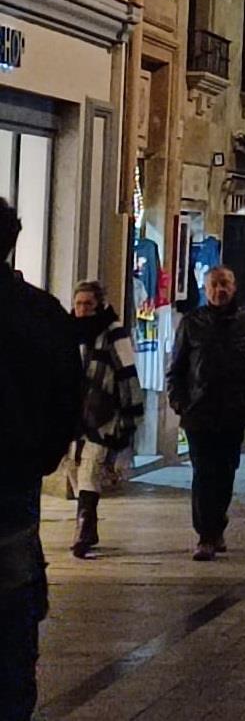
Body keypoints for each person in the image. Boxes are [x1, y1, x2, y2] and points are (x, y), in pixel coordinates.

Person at [0, 198, 84, 719]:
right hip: (14, 481)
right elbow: (68, 399)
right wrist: (42, 457)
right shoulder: (41, 312)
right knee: (11, 606)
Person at [167, 266, 245, 560]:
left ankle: (217, 525)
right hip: (198, 411)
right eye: (213, 285)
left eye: (224, 284)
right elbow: (177, 367)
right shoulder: (192, 322)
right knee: (203, 472)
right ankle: (205, 535)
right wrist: (180, 402)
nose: (218, 290)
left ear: (233, 287)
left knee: (225, 472)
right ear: (205, 288)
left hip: (232, 411)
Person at [65, 280, 143, 558]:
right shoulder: (67, 332)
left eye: (88, 304)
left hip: (103, 414)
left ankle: (83, 531)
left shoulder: (113, 333)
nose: (83, 309)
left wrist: (131, 415)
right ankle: (88, 523)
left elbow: (127, 373)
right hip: (72, 415)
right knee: (76, 471)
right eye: (78, 304)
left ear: (98, 305)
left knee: (90, 468)